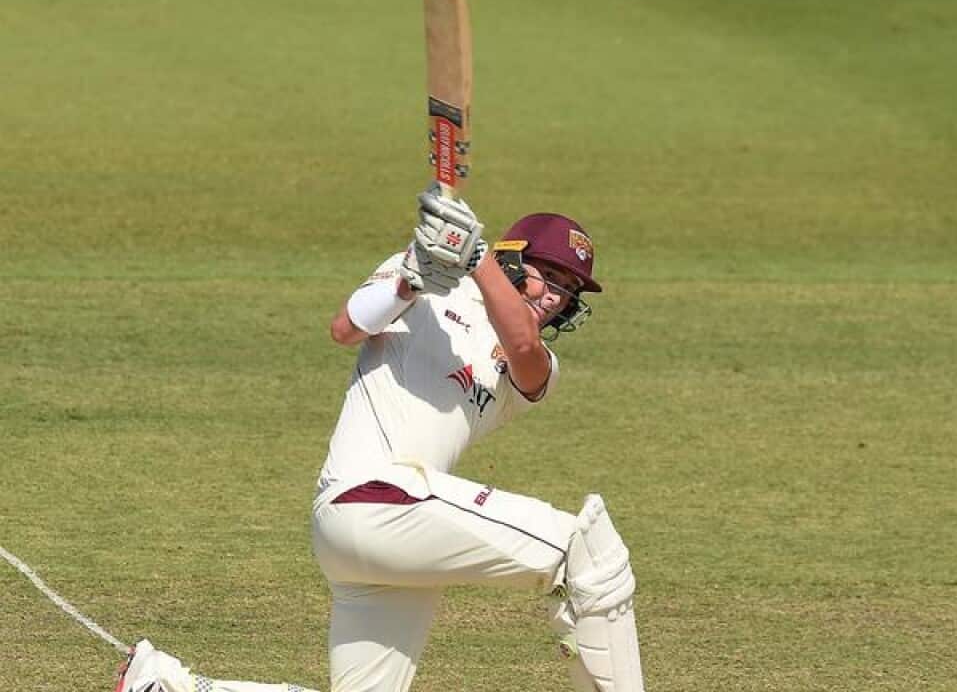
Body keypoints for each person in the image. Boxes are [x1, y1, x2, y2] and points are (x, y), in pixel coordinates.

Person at [114, 188, 645, 692]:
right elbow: (346, 328)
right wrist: (410, 281)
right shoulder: (430, 284)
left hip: (393, 534)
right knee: (590, 554)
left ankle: (165, 683)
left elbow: (524, 347)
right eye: (547, 276)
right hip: (370, 495)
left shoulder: (537, 364)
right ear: (514, 259)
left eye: (568, 291)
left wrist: (476, 257)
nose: (554, 297)